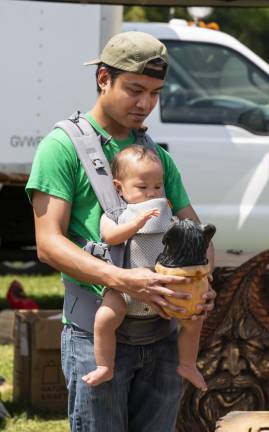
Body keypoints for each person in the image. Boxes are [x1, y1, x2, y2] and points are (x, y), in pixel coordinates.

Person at [26, 31, 215, 432]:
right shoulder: (61, 148)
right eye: (135, 89)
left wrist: (201, 280)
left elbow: (195, 232)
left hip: (162, 338)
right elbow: (48, 243)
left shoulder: (156, 157)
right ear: (103, 79)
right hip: (97, 334)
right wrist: (121, 278)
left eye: (156, 92)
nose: (146, 104)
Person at [82, 144, 207, 392]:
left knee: (194, 318)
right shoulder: (116, 215)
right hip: (124, 288)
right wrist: (135, 223)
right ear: (119, 187)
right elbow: (110, 237)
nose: (152, 193)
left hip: (163, 290)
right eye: (142, 187)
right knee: (105, 317)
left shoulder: (168, 214)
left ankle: (188, 363)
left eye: (157, 187)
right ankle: (105, 366)